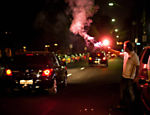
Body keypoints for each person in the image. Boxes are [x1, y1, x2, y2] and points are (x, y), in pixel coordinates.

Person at [108, 41, 140, 109]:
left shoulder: (134, 56)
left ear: (128, 47)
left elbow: (138, 67)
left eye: (124, 46)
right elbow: (118, 53)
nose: (123, 47)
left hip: (130, 78)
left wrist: (136, 77)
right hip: (124, 76)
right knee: (122, 91)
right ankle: (122, 104)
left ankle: (133, 106)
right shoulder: (125, 53)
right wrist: (110, 49)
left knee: (130, 92)